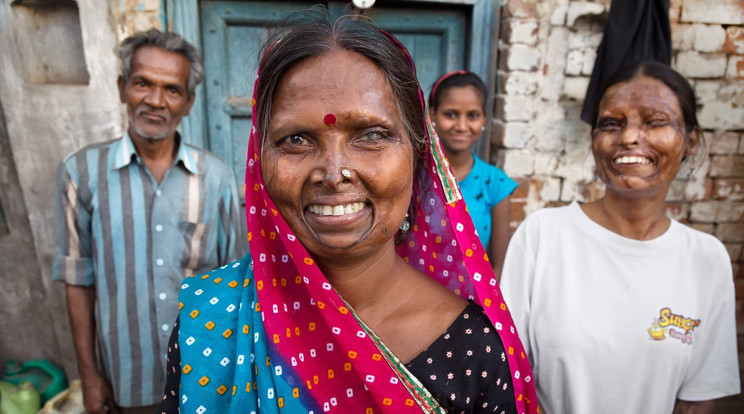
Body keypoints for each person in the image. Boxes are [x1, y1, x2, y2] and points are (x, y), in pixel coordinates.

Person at [158, 10, 538, 414]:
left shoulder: (472, 346)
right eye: (297, 139)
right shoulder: (213, 317)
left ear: (419, 157)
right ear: (258, 161)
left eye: (371, 136)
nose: (333, 173)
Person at [501, 61, 740, 414]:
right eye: (611, 124)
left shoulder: (706, 259)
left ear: (690, 140)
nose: (628, 137)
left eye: (654, 121)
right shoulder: (544, 236)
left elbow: (697, 400)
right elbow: (506, 377)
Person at [53, 28, 244, 414]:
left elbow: (237, 280)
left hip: (205, 376)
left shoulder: (217, 177)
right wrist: (89, 376)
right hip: (127, 380)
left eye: (172, 89)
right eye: (143, 83)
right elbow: (78, 281)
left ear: (188, 102)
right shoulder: (81, 172)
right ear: (123, 87)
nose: (155, 101)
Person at [428, 71, 517, 280]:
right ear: (432, 115)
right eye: (450, 114)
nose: (461, 126)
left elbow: (499, 267)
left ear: (484, 118)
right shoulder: (416, 176)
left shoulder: (495, 184)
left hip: (473, 304)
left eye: (472, 116)